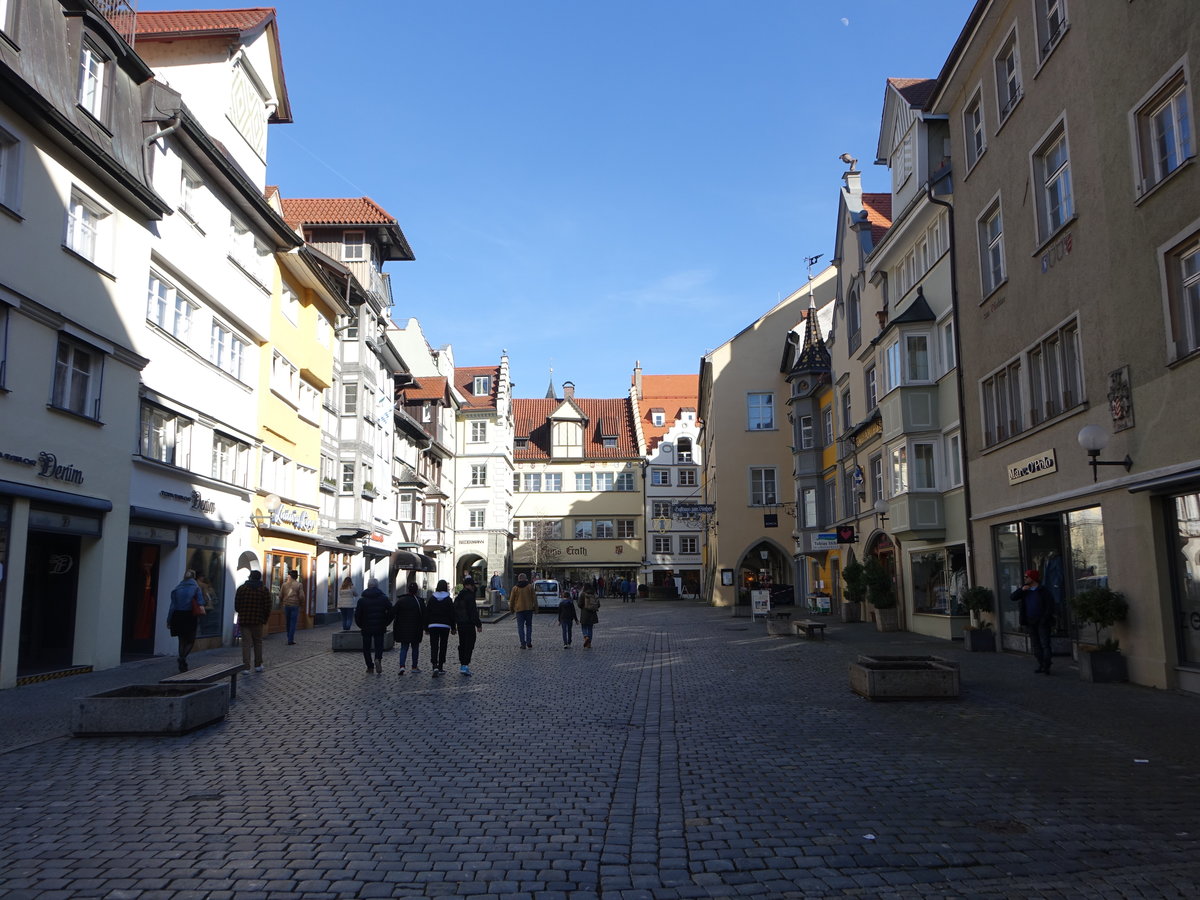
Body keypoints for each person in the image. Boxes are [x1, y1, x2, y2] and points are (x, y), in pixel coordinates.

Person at [1011, 569, 1056, 674]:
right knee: (1036, 645)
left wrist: (1044, 618)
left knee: (1045, 644)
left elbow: (1050, 606)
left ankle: (1047, 665)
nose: (1025, 578)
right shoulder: (1025, 590)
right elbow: (1012, 597)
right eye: (1025, 577)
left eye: (1027, 577)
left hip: (1042, 621)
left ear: (1033, 578)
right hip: (1030, 621)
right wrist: (1021, 590)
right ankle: (1041, 664)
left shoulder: (1043, 591)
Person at [166, 569, 204, 671]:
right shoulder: (196, 588)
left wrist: (169, 619)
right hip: (189, 615)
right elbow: (200, 602)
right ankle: (182, 658)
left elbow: (172, 606)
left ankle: (182, 661)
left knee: (181, 640)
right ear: (194, 577)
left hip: (177, 615)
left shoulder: (177, 589)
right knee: (191, 640)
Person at [234, 570, 271, 673]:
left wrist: (241, 612)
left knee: (246, 643)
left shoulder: (242, 589)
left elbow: (237, 605)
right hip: (258, 620)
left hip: (245, 620)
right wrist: (265, 618)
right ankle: (258, 665)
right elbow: (268, 606)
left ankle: (246, 667)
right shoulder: (264, 590)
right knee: (258, 642)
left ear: (250, 577)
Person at [355, 577, 394, 675]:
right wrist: (386, 622)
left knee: (366, 648)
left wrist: (361, 625)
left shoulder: (362, 600)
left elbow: (357, 615)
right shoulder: (384, 598)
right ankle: (378, 659)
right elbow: (391, 611)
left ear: (368, 586)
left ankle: (370, 666)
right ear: (377, 586)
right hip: (380, 626)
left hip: (366, 627)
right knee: (379, 646)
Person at [392, 580, 427, 675]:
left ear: (408, 590)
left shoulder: (401, 600)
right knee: (415, 648)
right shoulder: (419, 601)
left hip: (403, 629)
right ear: (416, 591)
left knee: (404, 648)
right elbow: (424, 615)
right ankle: (414, 666)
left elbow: (393, 612)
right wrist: (426, 628)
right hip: (416, 628)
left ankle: (402, 666)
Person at [454, 575, 484, 675]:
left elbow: (455, 611)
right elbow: (473, 612)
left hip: (460, 624)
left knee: (462, 644)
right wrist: (478, 624)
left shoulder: (458, 596)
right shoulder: (470, 596)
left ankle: (462, 664)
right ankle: (465, 665)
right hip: (469, 624)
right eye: (472, 586)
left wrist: (454, 625)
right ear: (470, 585)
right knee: (469, 645)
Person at [425, 579, 456, 676]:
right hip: (444, 625)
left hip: (433, 625)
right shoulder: (448, 599)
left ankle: (434, 665)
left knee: (434, 646)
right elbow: (452, 614)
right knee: (443, 645)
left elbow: (427, 613)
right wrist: (453, 627)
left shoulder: (432, 599)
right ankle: (441, 666)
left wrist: (426, 627)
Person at [509, 573, 537, 649]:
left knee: (520, 627)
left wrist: (511, 609)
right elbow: (534, 598)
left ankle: (523, 643)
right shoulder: (530, 587)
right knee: (529, 626)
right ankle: (529, 642)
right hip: (528, 609)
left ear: (518, 579)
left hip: (519, 610)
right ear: (526, 578)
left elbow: (511, 600)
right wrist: (536, 609)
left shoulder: (515, 588)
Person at [279, 569, 304, 645]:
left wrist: (281, 603)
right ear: (296, 577)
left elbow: (280, 595)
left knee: (288, 622)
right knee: (293, 622)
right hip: (295, 605)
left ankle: (288, 636)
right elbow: (302, 596)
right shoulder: (299, 585)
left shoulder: (284, 584)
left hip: (286, 605)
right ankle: (290, 639)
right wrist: (301, 603)